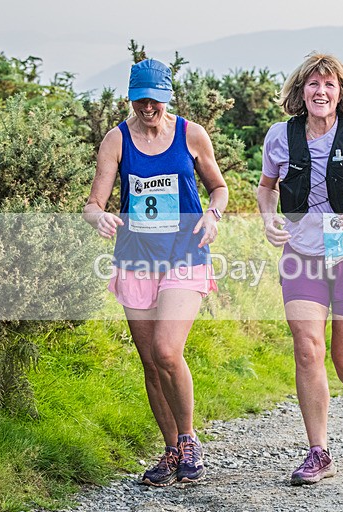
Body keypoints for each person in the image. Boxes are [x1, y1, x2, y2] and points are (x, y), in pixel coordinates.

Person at [83, 58, 228, 486]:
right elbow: (94, 204)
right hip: (136, 257)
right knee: (150, 362)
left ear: (169, 97)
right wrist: (100, 218)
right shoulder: (117, 139)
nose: (149, 107)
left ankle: (189, 439)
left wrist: (214, 215)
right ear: (130, 96)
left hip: (185, 254)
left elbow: (218, 188)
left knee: (167, 350)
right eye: (141, 99)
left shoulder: (190, 134)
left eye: (157, 100)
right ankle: (170, 451)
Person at [257, 52, 343, 486]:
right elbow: (266, 188)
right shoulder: (281, 136)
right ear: (300, 91)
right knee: (306, 347)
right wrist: (268, 219)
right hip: (301, 252)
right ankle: (319, 452)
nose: (321, 91)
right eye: (313, 84)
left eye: (329, 85)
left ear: (341, 93)